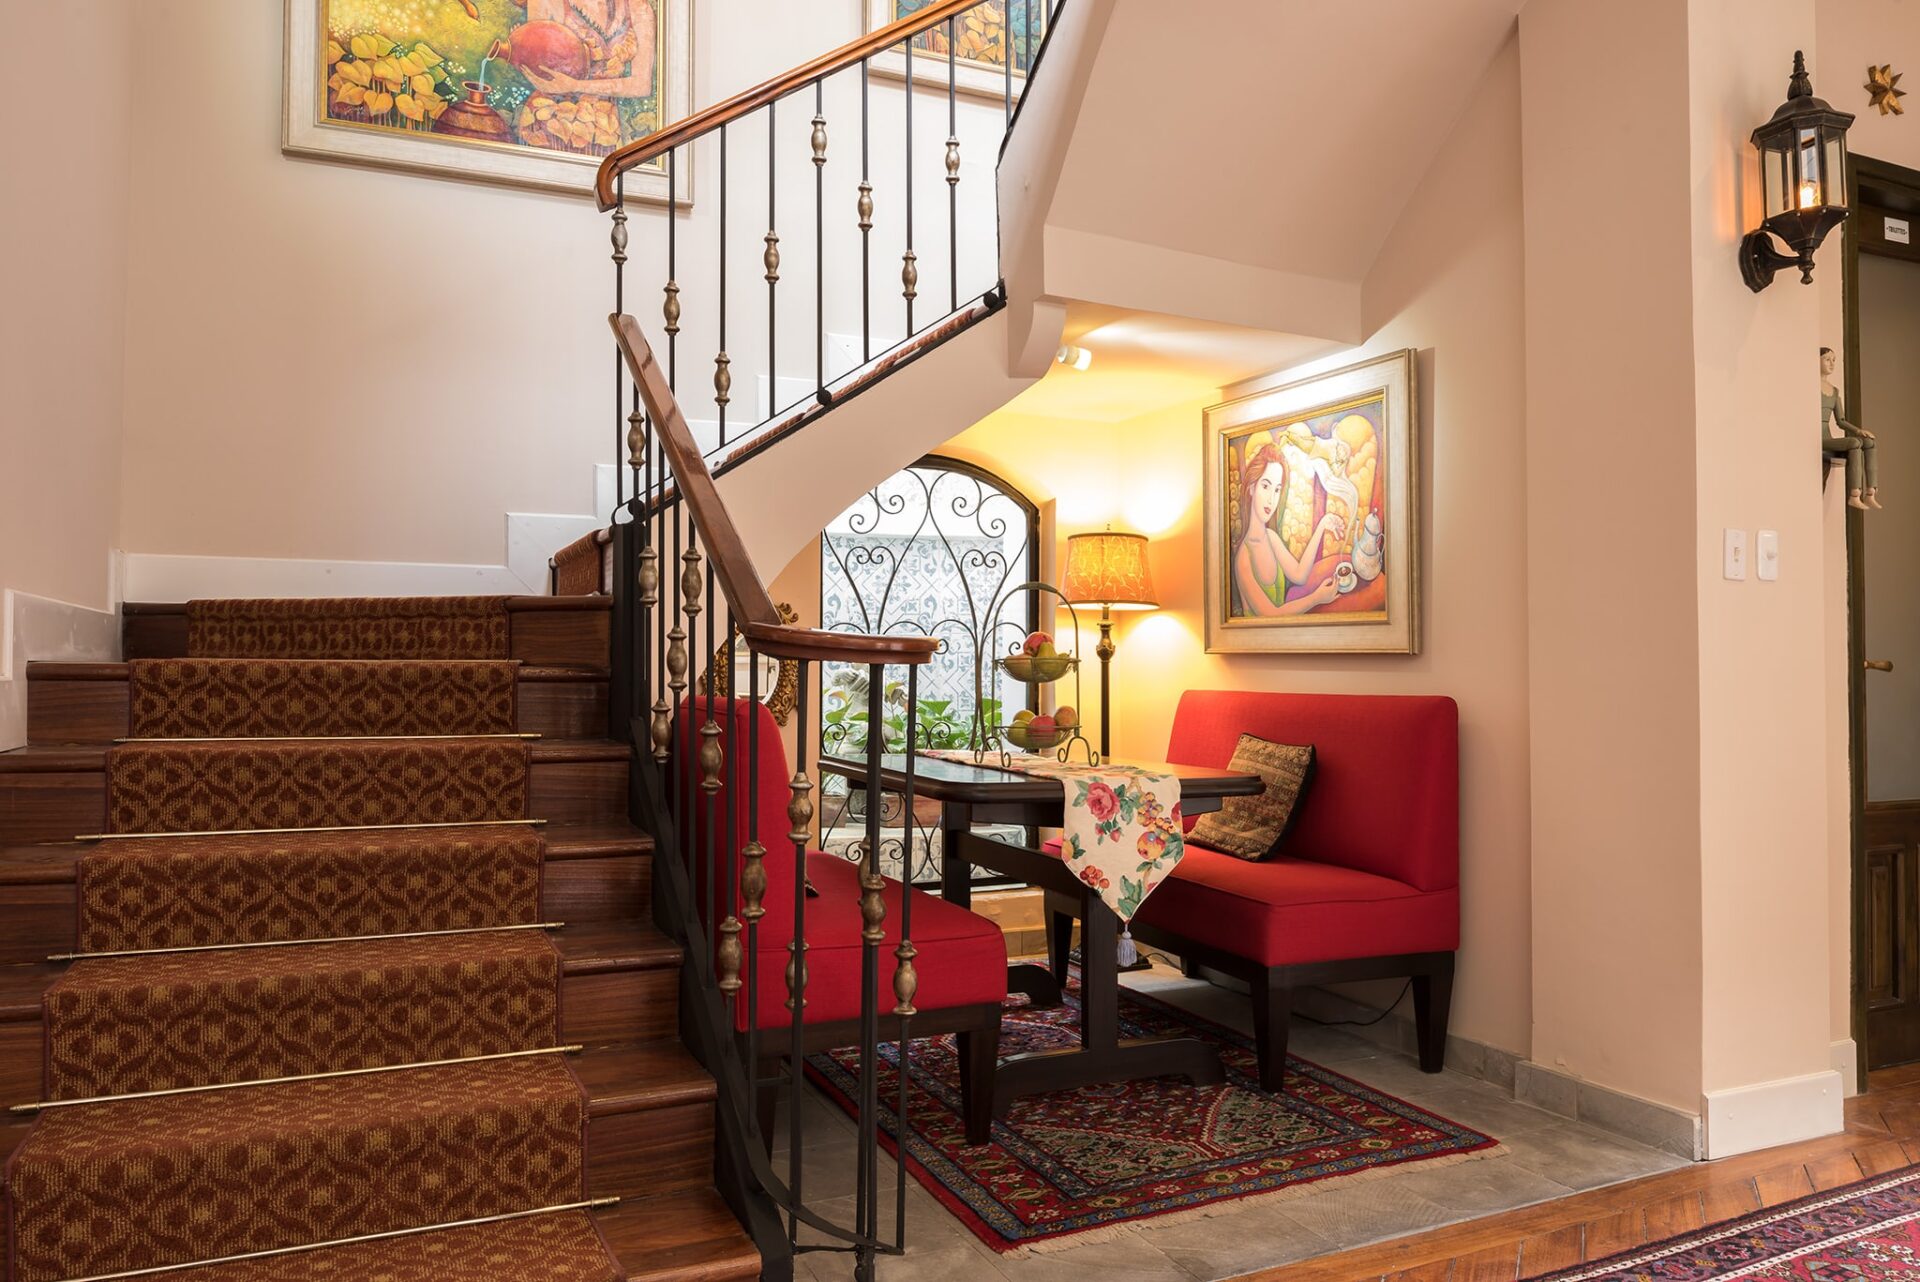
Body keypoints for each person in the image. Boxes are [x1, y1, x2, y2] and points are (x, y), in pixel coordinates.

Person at [1231, 443, 1345, 617]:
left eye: (1277, 490)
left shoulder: (1271, 537)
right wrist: (1316, 598)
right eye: (1265, 486)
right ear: (1252, 488)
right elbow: (1270, 614)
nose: (1271, 499)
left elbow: (1299, 575)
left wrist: (1322, 525)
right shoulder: (1244, 558)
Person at [517, 0, 657, 100]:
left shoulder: (639, 8)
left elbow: (642, 85)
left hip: (606, 125)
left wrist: (575, 85)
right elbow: (535, 66)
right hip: (550, 115)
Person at [1821, 347, 1880, 510]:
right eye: (1827, 359)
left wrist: (1858, 430)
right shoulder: (1812, 387)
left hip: (1829, 437)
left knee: (1869, 442)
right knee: (1854, 443)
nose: (1832, 363)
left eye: (1834, 359)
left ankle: (1870, 492)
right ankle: (1855, 494)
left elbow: (1841, 420)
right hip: (1819, 438)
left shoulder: (1834, 391)